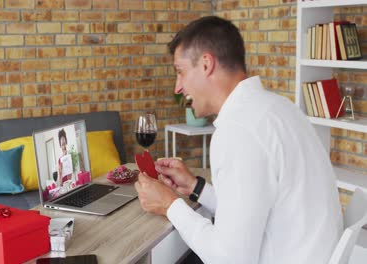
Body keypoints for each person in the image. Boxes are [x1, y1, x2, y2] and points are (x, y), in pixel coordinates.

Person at [134, 16, 343, 264]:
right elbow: (251, 209)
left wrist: (170, 205)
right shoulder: (279, 108)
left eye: (180, 72)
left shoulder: (239, 131)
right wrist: (195, 187)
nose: (178, 87)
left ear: (206, 64)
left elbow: (229, 258)